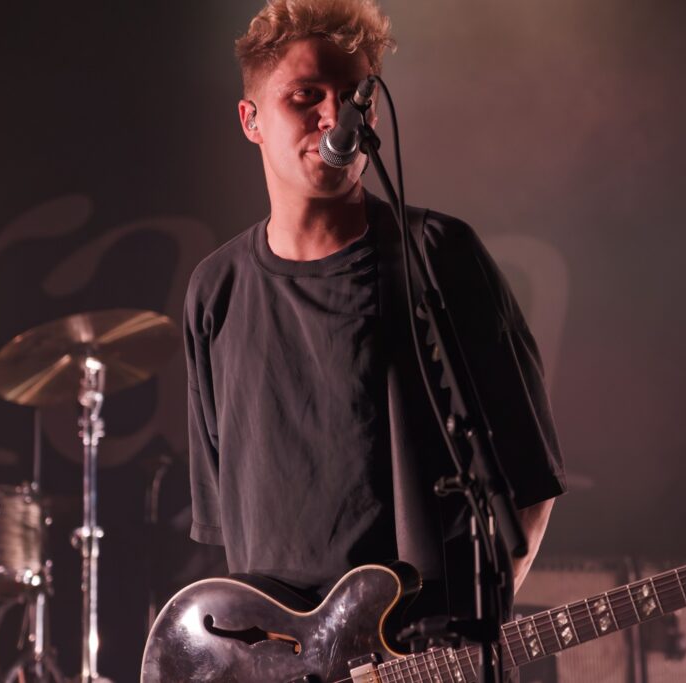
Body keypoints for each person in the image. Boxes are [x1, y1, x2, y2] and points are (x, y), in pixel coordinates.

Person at [183, 0, 565, 629]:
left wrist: (469, 633)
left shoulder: (439, 255)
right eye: (306, 96)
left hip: (421, 653)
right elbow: (228, 529)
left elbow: (530, 478)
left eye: (353, 98)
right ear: (251, 120)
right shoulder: (214, 291)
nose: (334, 117)